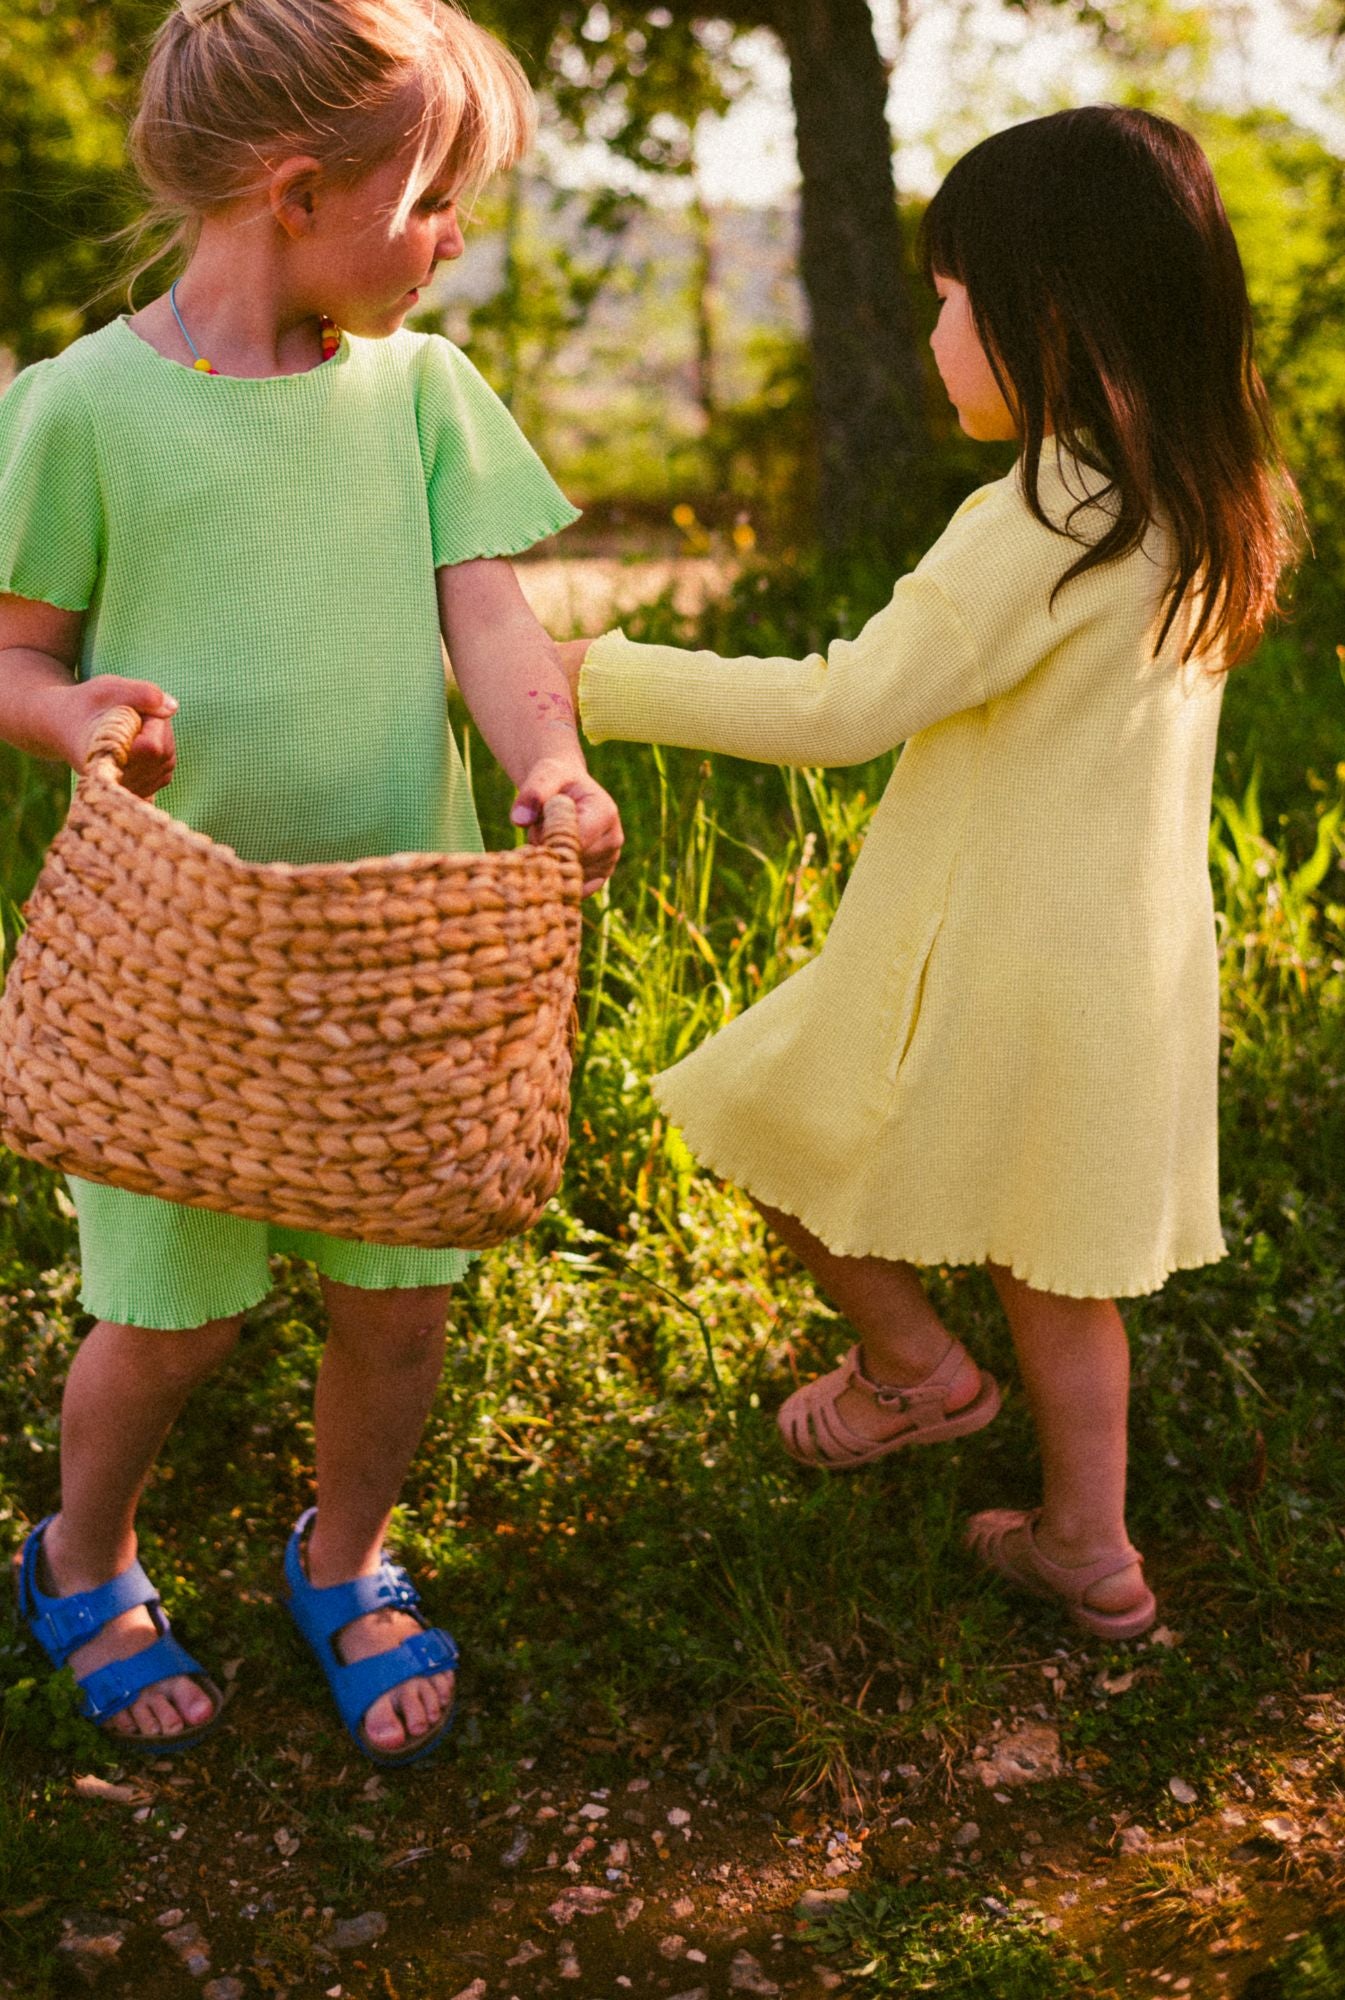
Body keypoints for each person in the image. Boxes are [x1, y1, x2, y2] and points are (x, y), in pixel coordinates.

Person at [558, 107, 1298, 1641]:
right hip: (1123, 967)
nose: (933, 331)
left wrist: (598, 677)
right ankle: (1087, 1548)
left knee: (756, 1110)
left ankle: (912, 1374)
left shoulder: (1037, 512)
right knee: (1057, 1260)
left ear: (1046, 311)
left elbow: (840, 708)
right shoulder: (1202, 503)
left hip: (978, 957)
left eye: (949, 298)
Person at [2, 0, 621, 1765]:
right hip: (179, 960)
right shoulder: (84, 410)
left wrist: (545, 761)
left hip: (393, 958)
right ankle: (84, 1555)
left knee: (397, 1302)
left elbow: (486, 611)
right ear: (297, 192)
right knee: (167, 1322)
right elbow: (10, 650)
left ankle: (342, 1557)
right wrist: (68, 712)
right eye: (435, 202)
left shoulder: (420, 393)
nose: (452, 242)